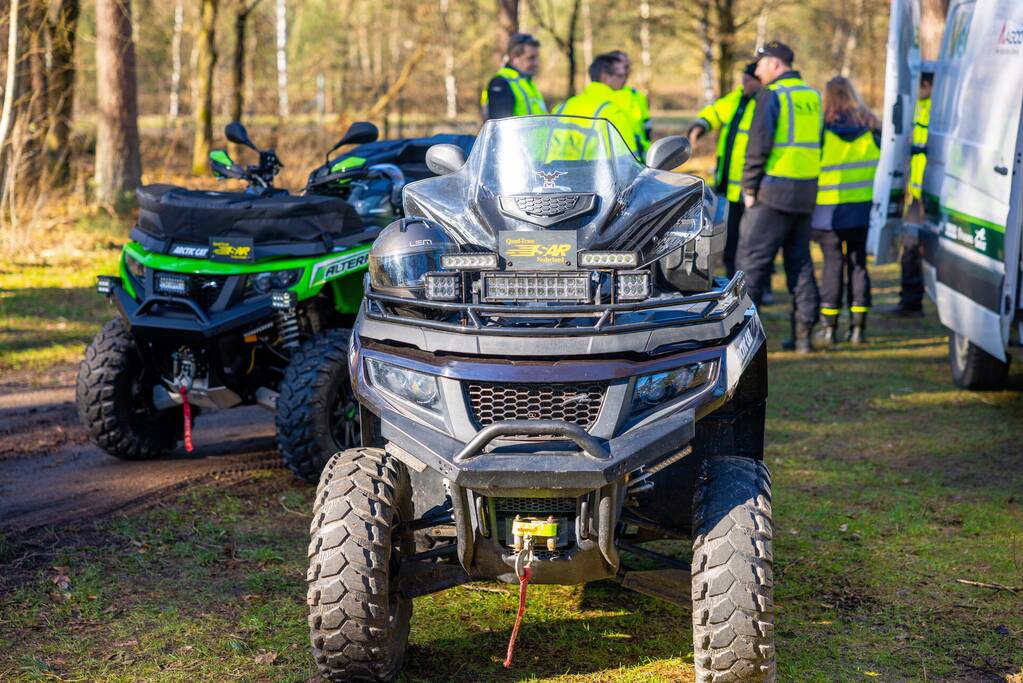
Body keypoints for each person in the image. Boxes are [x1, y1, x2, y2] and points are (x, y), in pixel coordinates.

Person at [735, 41, 822, 353]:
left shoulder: (772, 95)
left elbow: (758, 146)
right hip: (805, 192)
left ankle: (742, 338)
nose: (757, 71)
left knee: (751, 262)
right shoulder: (813, 96)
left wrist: (748, 188)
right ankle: (803, 336)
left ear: (775, 63)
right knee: (799, 264)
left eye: (760, 64)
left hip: (772, 193)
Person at [811, 76, 881, 345]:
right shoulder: (871, 124)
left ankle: (829, 330)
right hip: (863, 210)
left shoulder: (821, 128)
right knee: (859, 265)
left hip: (828, 212)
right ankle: (858, 329)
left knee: (832, 264)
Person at [687, 62, 762, 277]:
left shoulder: (766, 102)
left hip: (753, 185)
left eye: (749, 80)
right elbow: (714, 113)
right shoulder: (737, 98)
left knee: (753, 240)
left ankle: (758, 285)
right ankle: (731, 278)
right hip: (730, 184)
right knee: (731, 239)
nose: (744, 84)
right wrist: (699, 126)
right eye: (744, 80)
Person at [880, 71, 932, 317]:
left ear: (926, 84)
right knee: (910, 243)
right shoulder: (919, 107)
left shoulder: (933, 108)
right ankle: (909, 300)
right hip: (916, 190)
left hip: (926, 191)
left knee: (914, 245)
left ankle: (912, 300)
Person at [553, 54, 639, 157]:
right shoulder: (613, 112)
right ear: (605, 77)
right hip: (594, 173)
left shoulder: (562, 107)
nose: (625, 80)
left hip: (555, 172)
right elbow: (627, 162)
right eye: (620, 76)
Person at [481, 33, 547, 121]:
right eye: (531, 58)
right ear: (514, 58)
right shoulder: (501, 83)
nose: (536, 63)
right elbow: (500, 127)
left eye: (537, 58)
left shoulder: (528, 83)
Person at [606, 50, 652, 157]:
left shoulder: (637, 95)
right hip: (609, 158)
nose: (626, 71)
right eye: (623, 66)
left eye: (627, 67)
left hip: (638, 158)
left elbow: (647, 127)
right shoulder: (601, 96)